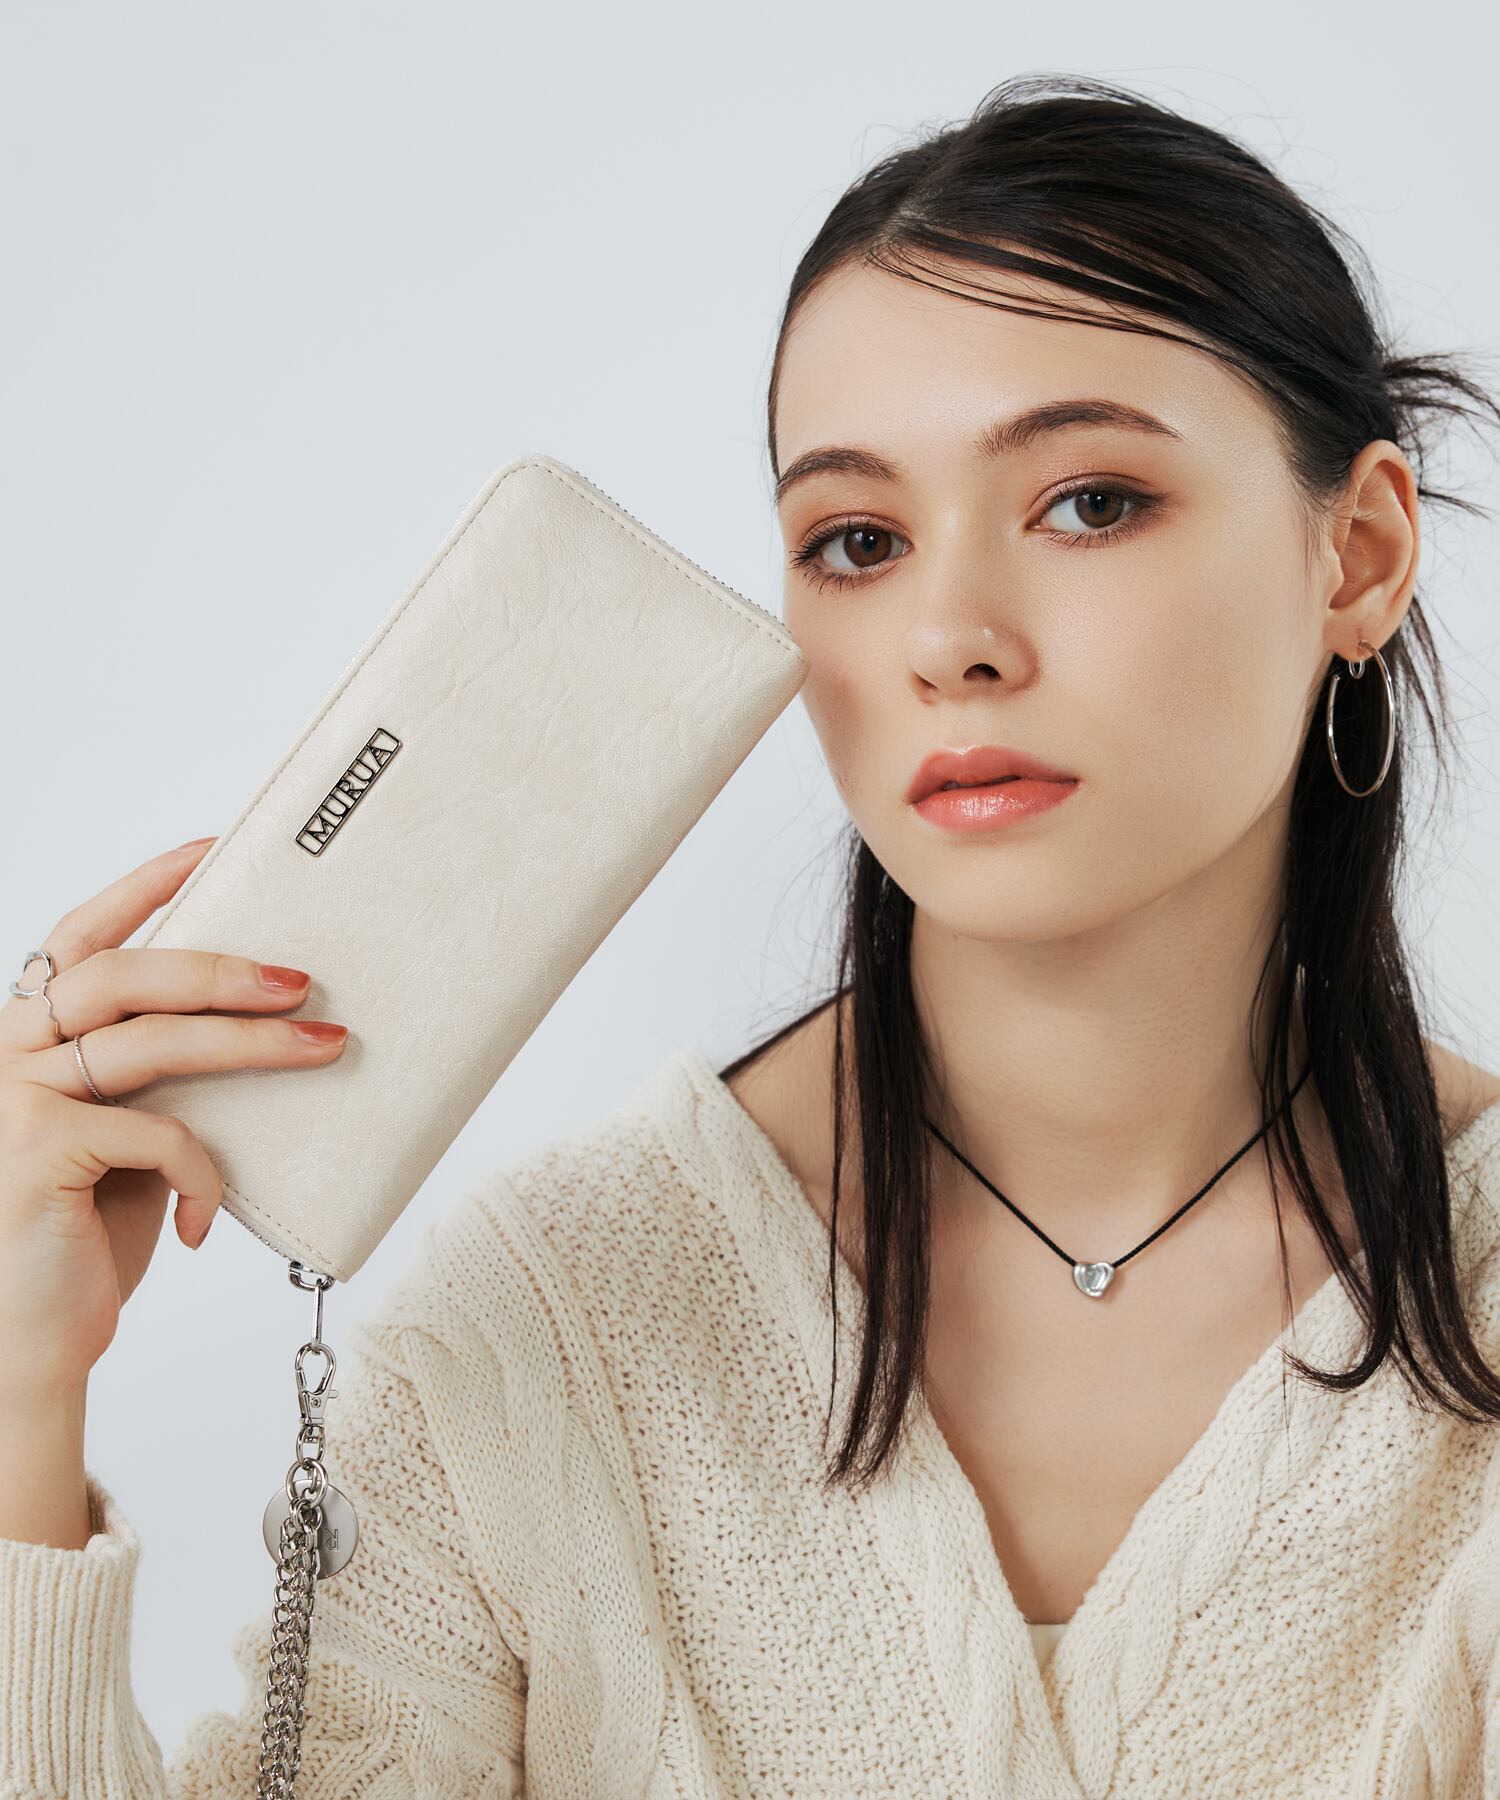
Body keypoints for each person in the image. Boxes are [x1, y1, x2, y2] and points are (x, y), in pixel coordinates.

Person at [5, 71, 1500, 1799]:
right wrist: (19, 1393)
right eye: (857, 541)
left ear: (1358, 554)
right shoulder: (546, 1329)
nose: (949, 635)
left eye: (1089, 501)